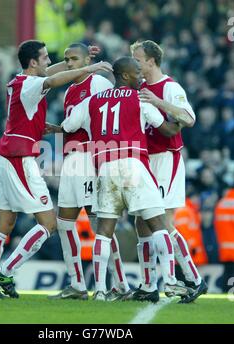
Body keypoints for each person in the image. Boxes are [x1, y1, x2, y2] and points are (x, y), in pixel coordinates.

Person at [0, 40, 112, 298]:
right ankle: (6, 270)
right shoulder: (31, 85)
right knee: (49, 223)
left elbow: (51, 73)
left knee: (2, 225)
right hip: (20, 157)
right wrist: (91, 69)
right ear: (33, 62)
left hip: (4, 156)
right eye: (45, 58)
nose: (50, 62)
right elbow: (53, 80)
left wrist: (82, 61)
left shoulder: (20, 81)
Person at [61, 56, 192, 301]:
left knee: (104, 231)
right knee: (158, 225)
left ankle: (99, 289)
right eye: (136, 72)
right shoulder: (140, 98)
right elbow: (167, 129)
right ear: (124, 76)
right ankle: (172, 282)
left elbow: (68, 125)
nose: (141, 77)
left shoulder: (91, 101)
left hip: (106, 167)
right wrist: (179, 122)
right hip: (134, 164)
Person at [46, 43, 130, 301]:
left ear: (86, 60)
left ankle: (120, 285)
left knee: (100, 224)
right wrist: (59, 130)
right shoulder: (69, 89)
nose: (69, 63)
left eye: (74, 59)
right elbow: (71, 125)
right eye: (66, 59)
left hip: (88, 158)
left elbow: (104, 120)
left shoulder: (98, 84)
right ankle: (78, 285)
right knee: (64, 223)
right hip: (71, 158)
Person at [130, 40, 207, 303]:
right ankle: (148, 285)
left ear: (151, 60)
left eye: (138, 59)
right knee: (141, 222)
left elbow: (189, 118)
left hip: (166, 159)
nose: (135, 63)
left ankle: (194, 279)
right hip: (144, 160)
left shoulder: (170, 87)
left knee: (162, 223)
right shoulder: (138, 87)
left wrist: (159, 102)